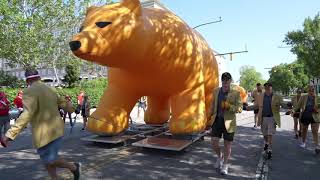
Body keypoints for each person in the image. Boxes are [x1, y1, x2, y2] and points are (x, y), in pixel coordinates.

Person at [0, 68, 81, 179]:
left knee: (50, 159)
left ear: (27, 81)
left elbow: (26, 114)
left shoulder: (28, 92)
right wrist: (73, 109)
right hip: (56, 129)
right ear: (39, 78)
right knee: (47, 160)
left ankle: (74, 167)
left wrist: (10, 135)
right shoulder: (49, 88)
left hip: (43, 133)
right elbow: (61, 102)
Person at [209, 72, 242, 175]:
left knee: (227, 145)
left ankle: (225, 165)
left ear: (230, 81)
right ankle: (220, 157)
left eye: (227, 84)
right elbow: (212, 105)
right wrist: (208, 118)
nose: (225, 86)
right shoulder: (216, 91)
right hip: (217, 120)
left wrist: (229, 106)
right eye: (224, 84)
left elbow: (240, 108)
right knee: (214, 143)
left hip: (229, 122)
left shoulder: (236, 93)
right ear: (222, 81)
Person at [256, 82, 283, 159]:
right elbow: (257, 106)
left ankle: (270, 150)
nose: (267, 89)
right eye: (266, 88)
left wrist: (288, 105)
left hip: (272, 118)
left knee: (270, 134)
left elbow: (282, 104)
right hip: (263, 118)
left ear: (271, 88)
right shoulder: (261, 96)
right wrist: (247, 108)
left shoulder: (277, 96)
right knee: (265, 134)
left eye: (269, 88)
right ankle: (266, 143)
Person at [294, 85, 320, 154]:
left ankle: (317, 146)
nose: (312, 91)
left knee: (315, 131)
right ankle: (303, 142)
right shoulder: (303, 97)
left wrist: (317, 110)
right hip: (306, 115)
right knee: (304, 129)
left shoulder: (318, 97)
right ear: (308, 91)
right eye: (310, 90)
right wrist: (293, 111)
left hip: (315, 116)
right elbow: (298, 106)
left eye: (313, 90)